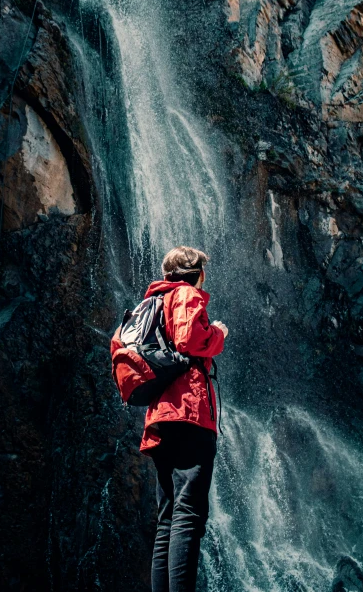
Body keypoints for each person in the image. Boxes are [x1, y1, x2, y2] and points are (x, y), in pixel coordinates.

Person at [140, 246, 228, 592]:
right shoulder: (187, 295)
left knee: (167, 519)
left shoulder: (154, 302)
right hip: (188, 414)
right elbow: (191, 339)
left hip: (160, 417)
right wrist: (218, 333)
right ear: (196, 274)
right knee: (189, 516)